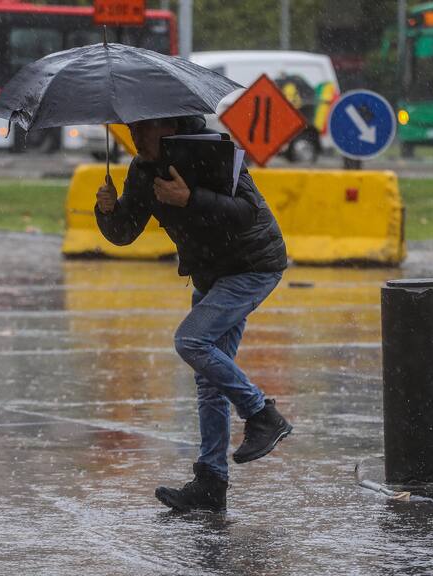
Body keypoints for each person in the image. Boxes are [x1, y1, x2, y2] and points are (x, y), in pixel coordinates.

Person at [94, 116, 292, 513]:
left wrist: (190, 199)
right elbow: (125, 232)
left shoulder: (209, 151)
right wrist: (107, 211)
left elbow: (247, 212)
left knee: (191, 340)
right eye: (130, 130)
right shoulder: (142, 169)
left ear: (167, 126)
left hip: (252, 265)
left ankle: (261, 414)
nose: (135, 137)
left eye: (143, 129)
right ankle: (211, 483)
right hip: (210, 272)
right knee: (207, 379)